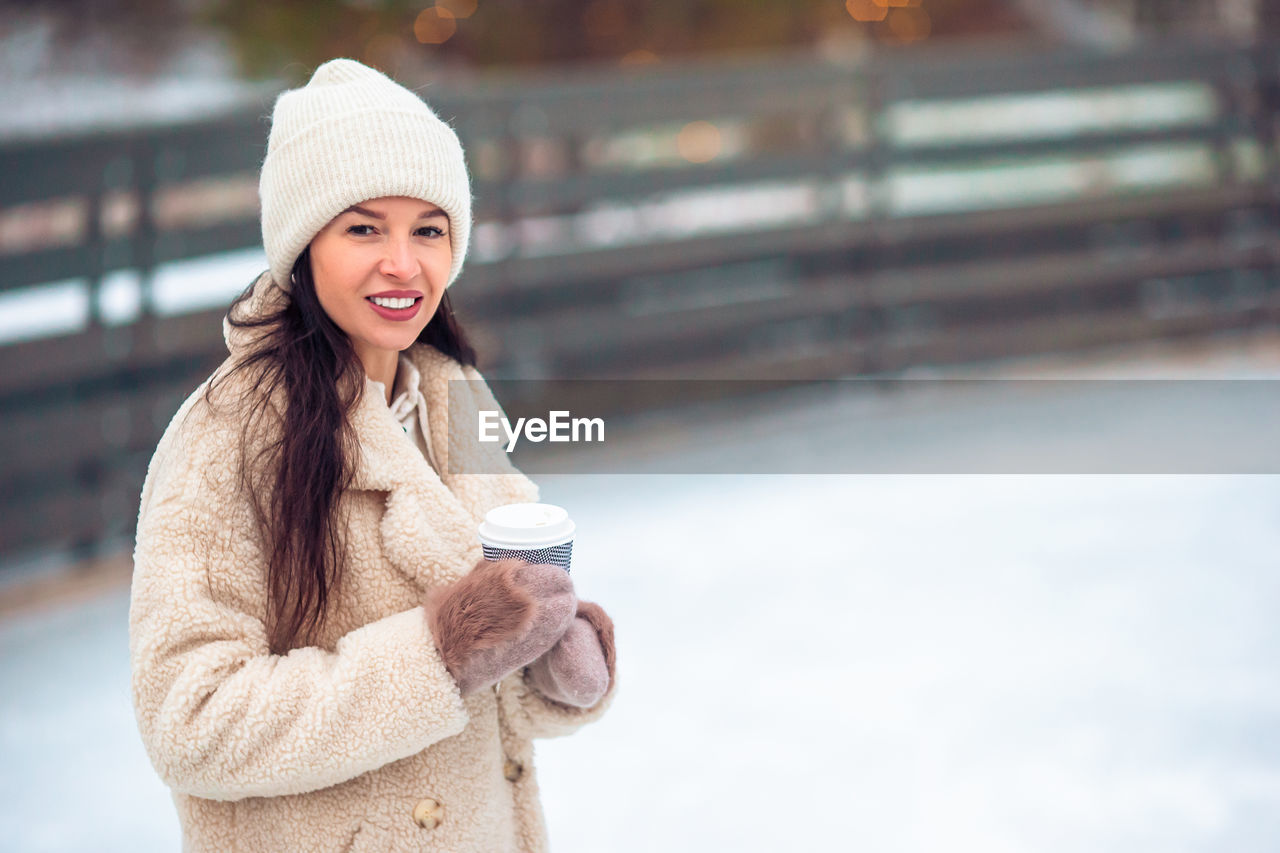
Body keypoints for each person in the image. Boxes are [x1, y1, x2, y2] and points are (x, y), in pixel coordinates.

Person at [128, 58, 617, 853]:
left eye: (428, 228)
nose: (402, 262)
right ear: (302, 244)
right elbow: (190, 720)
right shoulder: (228, 433)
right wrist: (437, 651)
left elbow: (487, 674)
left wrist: (551, 659)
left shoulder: (455, 396)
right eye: (364, 228)